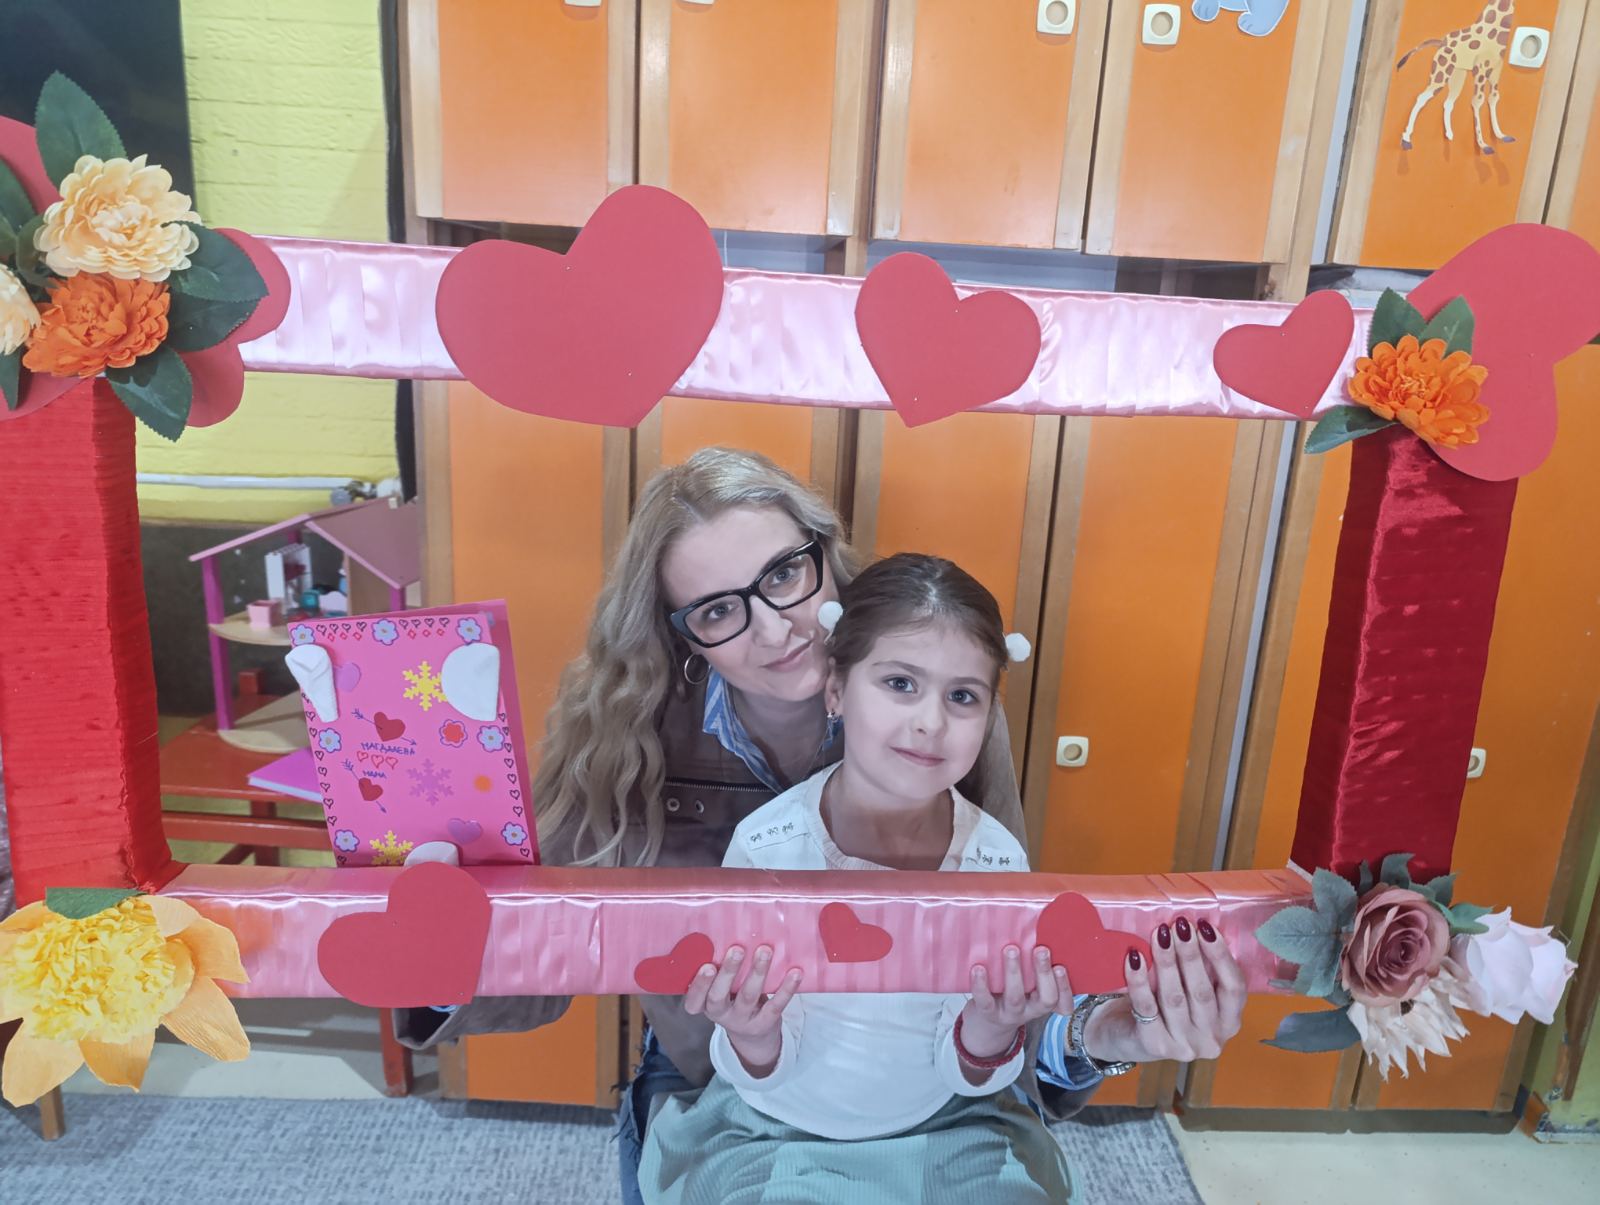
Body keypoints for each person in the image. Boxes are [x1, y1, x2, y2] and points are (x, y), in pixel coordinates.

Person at [394, 449, 1246, 1203]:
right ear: (684, 635)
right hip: (726, 1078)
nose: (776, 628)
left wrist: (1105, 1034)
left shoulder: (940, 711)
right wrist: (431, 939)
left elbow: (1009, 956)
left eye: (782, 575)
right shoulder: (627, 737)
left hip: (932, 1070)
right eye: (718, 610)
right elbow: (540, 946)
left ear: (825, 558)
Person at [638, 553, 1077, 1201]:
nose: (930, 722)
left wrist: (991, 1029)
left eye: (962, 696)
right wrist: (752, 1031)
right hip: (773, 1130)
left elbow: (968, 1074)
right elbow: (757, 1071)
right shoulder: (769, 846)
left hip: (943, 1127)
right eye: (900, 683)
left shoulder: (994, 861)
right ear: (837, 690)